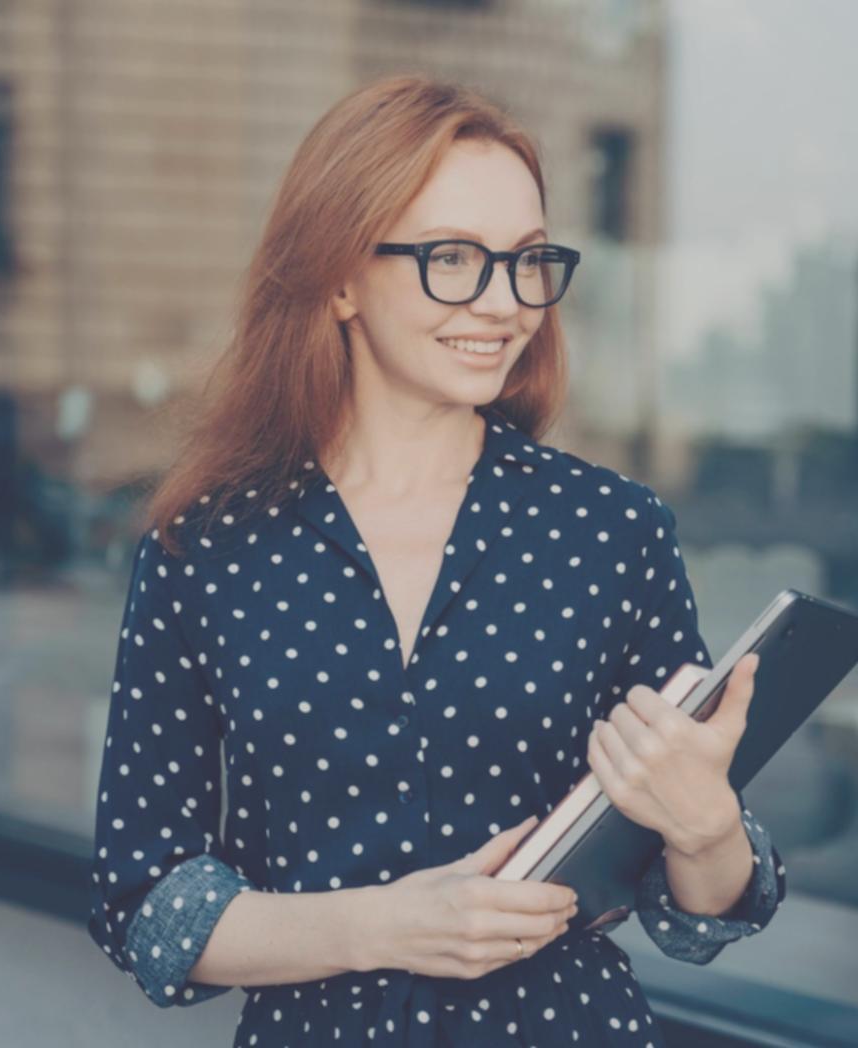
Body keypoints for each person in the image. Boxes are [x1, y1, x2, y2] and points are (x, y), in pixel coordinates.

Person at [85, 73, 785, 1047]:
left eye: (527, 261)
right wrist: (383, 923)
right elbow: (145, 906)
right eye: (452, 257)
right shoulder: (206, 549)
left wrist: (704, 825)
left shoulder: (609, 530)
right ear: (336, 278)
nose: (503, 303)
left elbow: (698, 917)